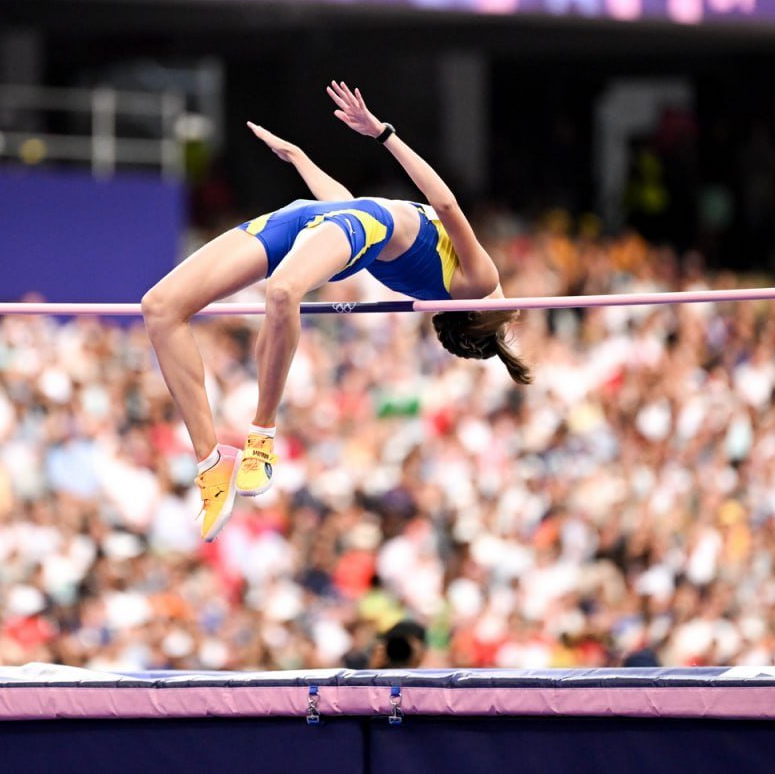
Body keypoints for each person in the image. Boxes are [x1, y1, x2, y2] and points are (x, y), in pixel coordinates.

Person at [142, 82, 532, 542]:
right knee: (160, 307)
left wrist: (383, 133)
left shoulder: (476, 281)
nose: (505, 299)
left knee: (283, 292)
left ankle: (261, 438)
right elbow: (348, 206)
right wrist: (301, 159)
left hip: (347, 228)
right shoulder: (450, 280)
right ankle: (211, 461)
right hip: (310, 217)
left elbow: (443, 203)